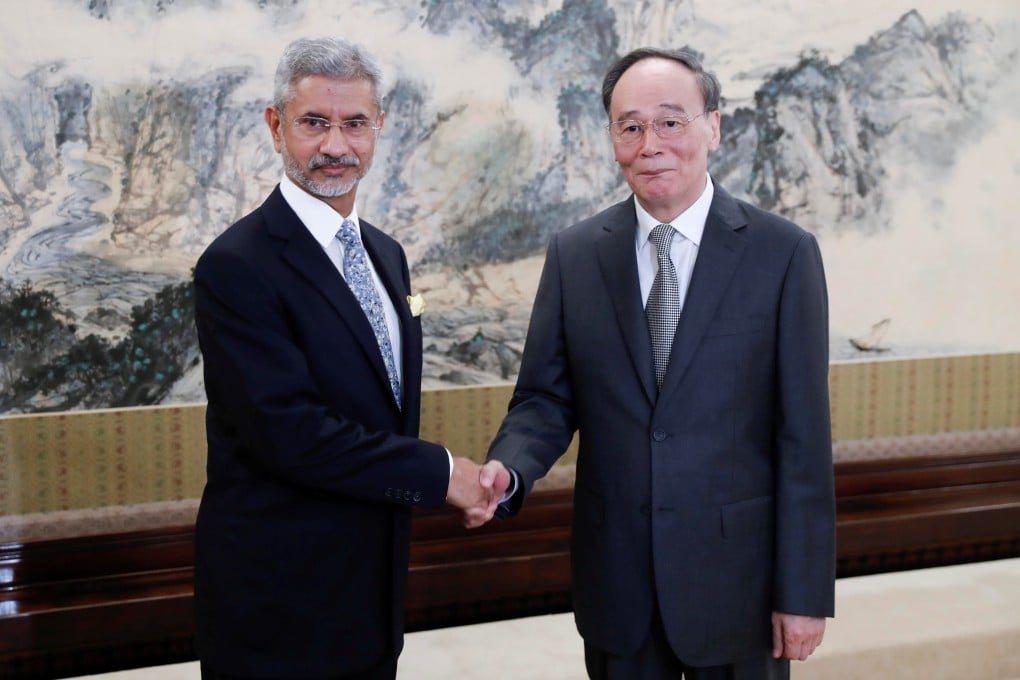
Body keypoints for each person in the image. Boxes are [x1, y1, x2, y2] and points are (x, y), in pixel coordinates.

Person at [484, 47, 836, 679]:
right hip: (617, 586)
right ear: (613, 138)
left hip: (740, 590)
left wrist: (804, 593)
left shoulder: (783, 254)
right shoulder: (575, 254)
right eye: (631, 125)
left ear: (713, 128)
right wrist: (508, 471)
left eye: (671, 122)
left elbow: (804, 436)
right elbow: (544, 398)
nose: (652, 144)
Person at [192, 37, 507, 680]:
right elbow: (290, 434)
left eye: (354, 123)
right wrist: (443, 473)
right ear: (276, 126)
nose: (336, 146)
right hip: (277, 603)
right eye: (314, 123)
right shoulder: (236, 265)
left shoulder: (386, 254)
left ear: (379, 127)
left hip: (372, 596)